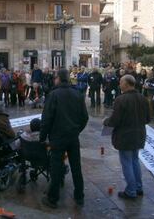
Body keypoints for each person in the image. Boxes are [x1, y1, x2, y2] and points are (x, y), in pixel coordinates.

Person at [40, 69, 88, 208]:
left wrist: (42, 136)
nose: (54, 80)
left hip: (58, 137)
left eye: (55, 78)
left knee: (56, 168)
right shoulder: (78, 94)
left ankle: (52, 198)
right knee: (76, 167)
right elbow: (84, 117)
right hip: (72, 136)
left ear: (59, 79)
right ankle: (79, 196)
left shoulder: (54, 94)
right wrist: (77, 130)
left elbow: (46, 118)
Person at [103, 75, 150, 199]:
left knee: (127, 162)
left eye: (121, 82)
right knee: (134, 160)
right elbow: (148, 118)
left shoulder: (121, 99)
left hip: (125, 136)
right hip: (139, 134)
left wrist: (106, 121)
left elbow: (115, 120)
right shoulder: (142, 98)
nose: (119, 84)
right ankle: (138, 187)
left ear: (127, 84)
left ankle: (131, 190)